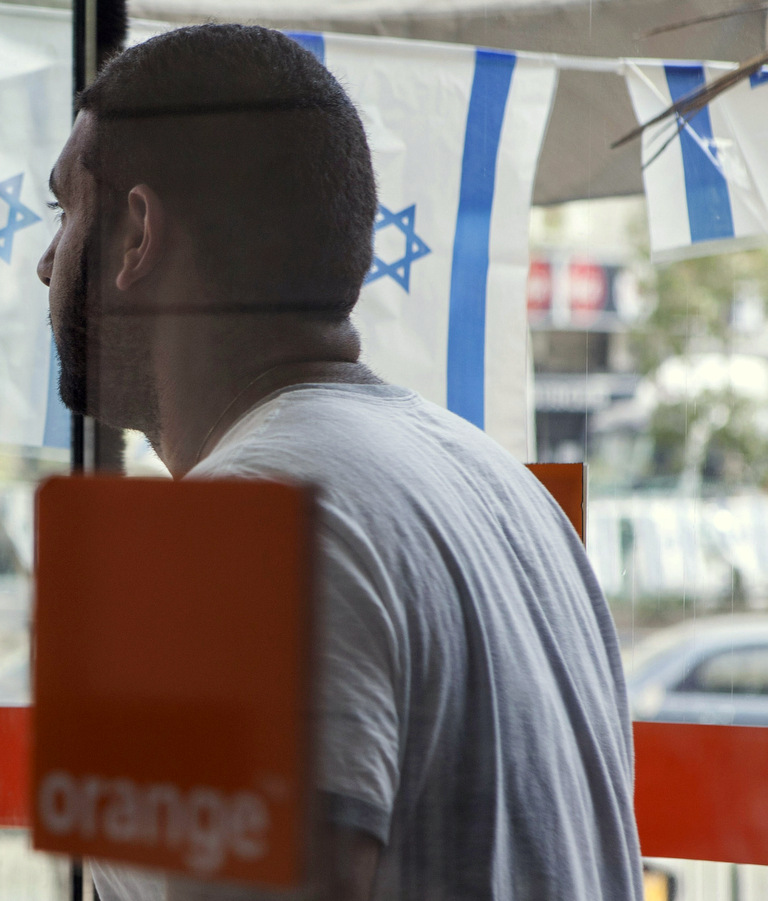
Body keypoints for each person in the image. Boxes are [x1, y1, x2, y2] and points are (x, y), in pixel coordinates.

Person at [37, 23, 642, 901]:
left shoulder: (233, 533)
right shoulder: (500, 488)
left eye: (66, 211)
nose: (47, 261)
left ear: (137, 234)